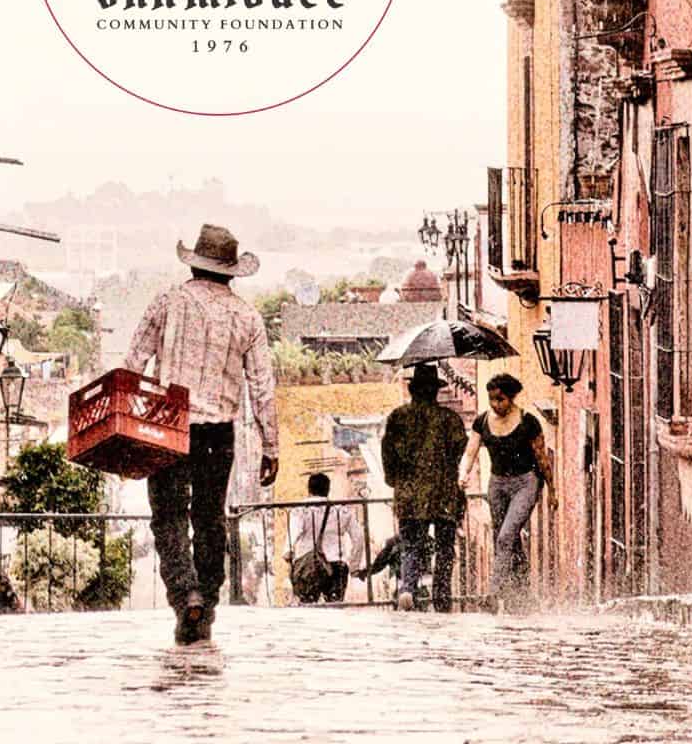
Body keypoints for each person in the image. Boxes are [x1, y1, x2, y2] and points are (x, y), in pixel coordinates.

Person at [125, 224, 278, 645]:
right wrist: (271, 446)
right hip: (219, 431)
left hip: (167, 422)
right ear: (231, 272)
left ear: (194, 263)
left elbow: (133, 363)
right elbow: (262, 386)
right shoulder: (247, 316)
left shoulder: (169, 302)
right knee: (210, 517)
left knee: (168, 516)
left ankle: (185, 593)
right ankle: (205, 605)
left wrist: (126, 430)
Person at [458, 372, 557, 612]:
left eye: (500, 399)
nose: (495, 404)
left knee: (505, 537)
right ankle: (521, 594)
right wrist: (464, 473)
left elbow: (542, 459)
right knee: (506, 539)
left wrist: (552, 490)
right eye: (492, 399)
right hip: (497, 484)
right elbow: (470, 451)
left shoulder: (528, 422)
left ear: (511, 398)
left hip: (525, 483)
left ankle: (494, 594)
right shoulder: (482, 422)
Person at [380, 363, 467, 612]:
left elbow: (387, 452)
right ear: (435, 392)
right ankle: (441, 594)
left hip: (409, 493)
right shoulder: (450, 420)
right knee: (445, 547)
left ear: (412, 390)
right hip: (444, 494)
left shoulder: (398, 418)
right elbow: (458, 451)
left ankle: (407, 588)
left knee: (411, 545)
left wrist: (393, 479)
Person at [287, 473, 363, 603]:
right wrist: (354, 565)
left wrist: (288, 552)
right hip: (337, 564)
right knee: (335, 606)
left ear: (309, 489)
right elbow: (358, 538)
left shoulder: (300, 509)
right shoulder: (342, 510)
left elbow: (293, 533)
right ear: (328, 489)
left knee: (308, 607)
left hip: (308, 565)